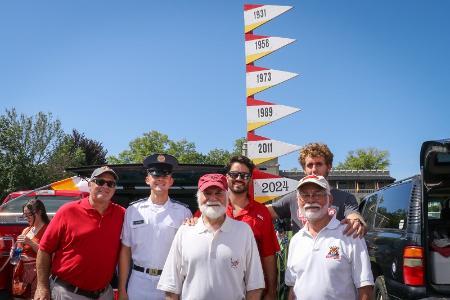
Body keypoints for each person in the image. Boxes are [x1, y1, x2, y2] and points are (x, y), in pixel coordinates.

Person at [157, 173, 265, 300]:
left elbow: (255, 286)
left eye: (218, 193)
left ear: (228, 196)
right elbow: (171, 287)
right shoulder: (185, 232)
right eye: (207, 193)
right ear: (198, 197)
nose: (212, 198)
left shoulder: (244, 231)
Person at [34, 166, 125, 300]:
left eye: (110, 184)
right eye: (100, 182)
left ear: (114, 189)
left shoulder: (121, 214)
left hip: (104, 294)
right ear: (89, 185)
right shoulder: (67, 211)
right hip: (67, 293)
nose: (105, 186)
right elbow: (44, 250)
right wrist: (41, 287)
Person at [285, 175, 373, 300]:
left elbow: (365, 289)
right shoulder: (296, 240)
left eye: (318, 194)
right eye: (305, 195)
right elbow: (293, 288)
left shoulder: (350, 235)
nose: (311, 200)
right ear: (298, 201)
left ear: (330, 200)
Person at [118, 154, 192, 300]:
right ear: (147, 180)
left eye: (165, 175)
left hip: (170, 282)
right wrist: (121, 289)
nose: (160, 178)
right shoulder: (133, 211)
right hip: (138, 281)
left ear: (171, 181)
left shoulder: (184, 213)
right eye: (155, 174)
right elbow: (125, 251)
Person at [267, 142, 366, 236]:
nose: (314, 169)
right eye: (309, 165)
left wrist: (356, 220)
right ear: (304, 169)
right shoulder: (293, 198)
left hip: (333, 251)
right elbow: (265, 212)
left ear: (329, 167)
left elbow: (353, 215)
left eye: (319, 164)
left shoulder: (345, 198)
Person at [225, 155, 279, 300]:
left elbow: (268, 255)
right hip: (220, 286)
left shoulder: (261, 212)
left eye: (244, 175)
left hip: (253, 291)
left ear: (250, 178)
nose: (239, 178)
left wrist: (272, 291)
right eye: (234, 174)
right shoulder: (213, 206)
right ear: (226, 177)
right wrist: (191, 221)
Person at [10, 199, 49, 299]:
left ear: (39, 212)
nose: (26, 218)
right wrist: (14, 252)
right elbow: (19, 249)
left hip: (38, 274)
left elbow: (49, 254)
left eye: (29, 215)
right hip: (22, 273)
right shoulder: (26, 230)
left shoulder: (48, 230)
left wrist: (30, 242)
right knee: (19, 297)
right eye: (24, 215)